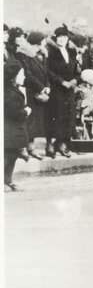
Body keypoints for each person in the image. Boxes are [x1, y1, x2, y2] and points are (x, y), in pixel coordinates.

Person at [45, 26, 79, 158]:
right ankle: (50, 144)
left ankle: (62, 143)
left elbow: (76, 69)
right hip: (57, 89)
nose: (62, 40)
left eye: (65, 37)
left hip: (69, 89)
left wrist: (75, 80)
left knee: (67, 116)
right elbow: (48, 71)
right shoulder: (51, 52)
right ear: (55, 38)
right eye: (60, 37)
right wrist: (61, 82)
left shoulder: (71, 51)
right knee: (55, 115)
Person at [15, 31, 49, 159]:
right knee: (27, 120)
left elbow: (45, 72)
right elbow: (27, 74)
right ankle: (23, 148)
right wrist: (41, 87)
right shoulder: (23, 53)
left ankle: (31, 147)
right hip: (29, 91)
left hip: (38, 91)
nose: (44, 43)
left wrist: (47, 86)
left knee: (34, 121)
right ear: (37, 42)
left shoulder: (40, 53)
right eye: (43, 40)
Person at [5, 62, 31, 192]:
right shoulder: (8, 93)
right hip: (9, 131)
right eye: (21, 74)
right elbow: (14, 113)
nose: (24, 77)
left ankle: (7, 180)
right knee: (7, 157)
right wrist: (26, 112)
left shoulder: (14, 90)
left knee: (12, 156)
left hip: (15, 132)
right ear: (13, 76)